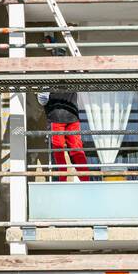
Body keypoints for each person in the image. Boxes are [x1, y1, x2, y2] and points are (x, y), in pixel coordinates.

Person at [36, 34, 89, 182]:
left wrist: (42, 90)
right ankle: (86, 180)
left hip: (56, 117)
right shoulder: (72, 72)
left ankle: (62, 181)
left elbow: (43, 100)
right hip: (73, 115)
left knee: (58, 151)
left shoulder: (48, 76)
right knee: (77, 150)